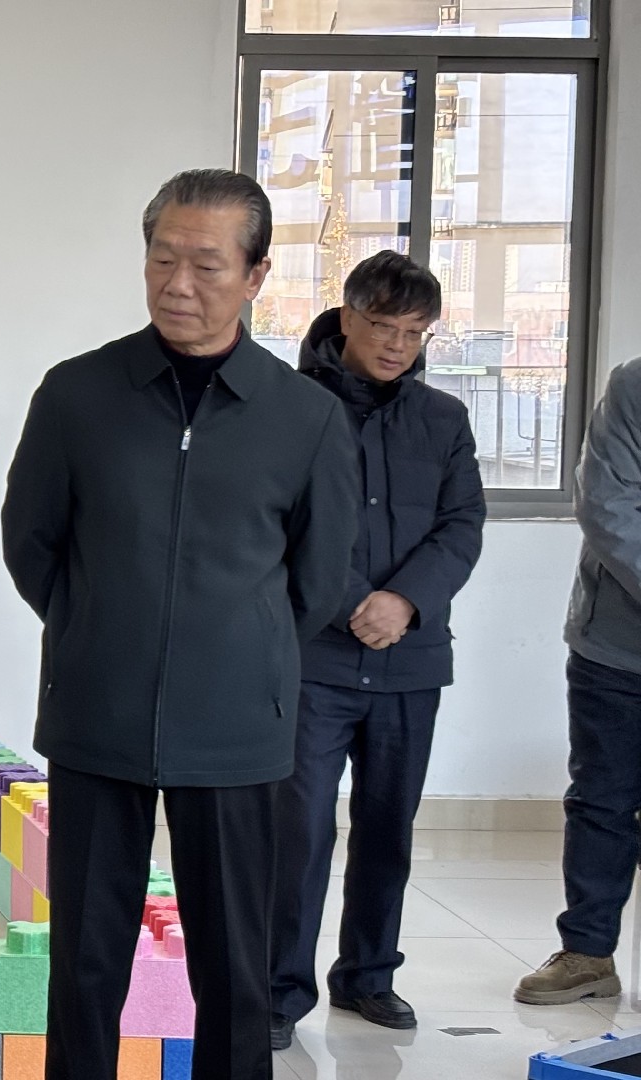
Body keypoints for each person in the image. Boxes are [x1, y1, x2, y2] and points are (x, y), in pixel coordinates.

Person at [0, 169, 358, 1080]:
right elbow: (32, 543)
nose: (178, 285)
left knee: (235, 969)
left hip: (238, 733)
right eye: (163, 259)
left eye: (206, 264)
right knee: (85, 964)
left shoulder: (306, 417)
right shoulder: (77, 395)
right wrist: (97, 628)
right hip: (97, 715)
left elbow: (318, 581)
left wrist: (237, 652)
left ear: (256, 275)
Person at [268, 251, 484, 1046]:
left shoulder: (443, 419)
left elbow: (462, 525)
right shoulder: (291, 408)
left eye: (415, 332)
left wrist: (405, 601)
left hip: (410, 659)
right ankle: (278, 991)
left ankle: (368, 977)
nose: (399, 345)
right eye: (386, 326)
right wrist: (354, 599)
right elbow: (280, 520)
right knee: (300, 832)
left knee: (389, 827)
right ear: (348, 317)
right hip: (315, 658)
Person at [513, 354, 641, 1007]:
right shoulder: (634, 386)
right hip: (617, 648)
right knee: (602, 802)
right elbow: (609, 509)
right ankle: (588, 954)